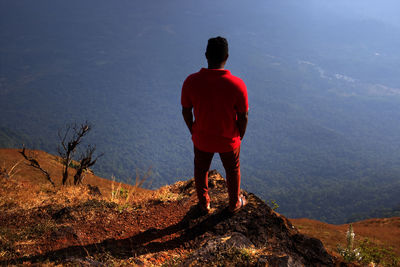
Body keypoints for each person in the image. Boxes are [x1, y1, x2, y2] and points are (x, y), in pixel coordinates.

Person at [181, 36, 249, 214]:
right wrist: (239, 135)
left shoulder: (191, 81)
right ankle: (234, 203)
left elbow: (186, 111)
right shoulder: (237, 84)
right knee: (233, 170)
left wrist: (193, 130)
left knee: (201, 168)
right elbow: (243, 116)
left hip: (202, 138)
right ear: (227, 56)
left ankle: (204, 204)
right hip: (229, 140)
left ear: (206, 55)